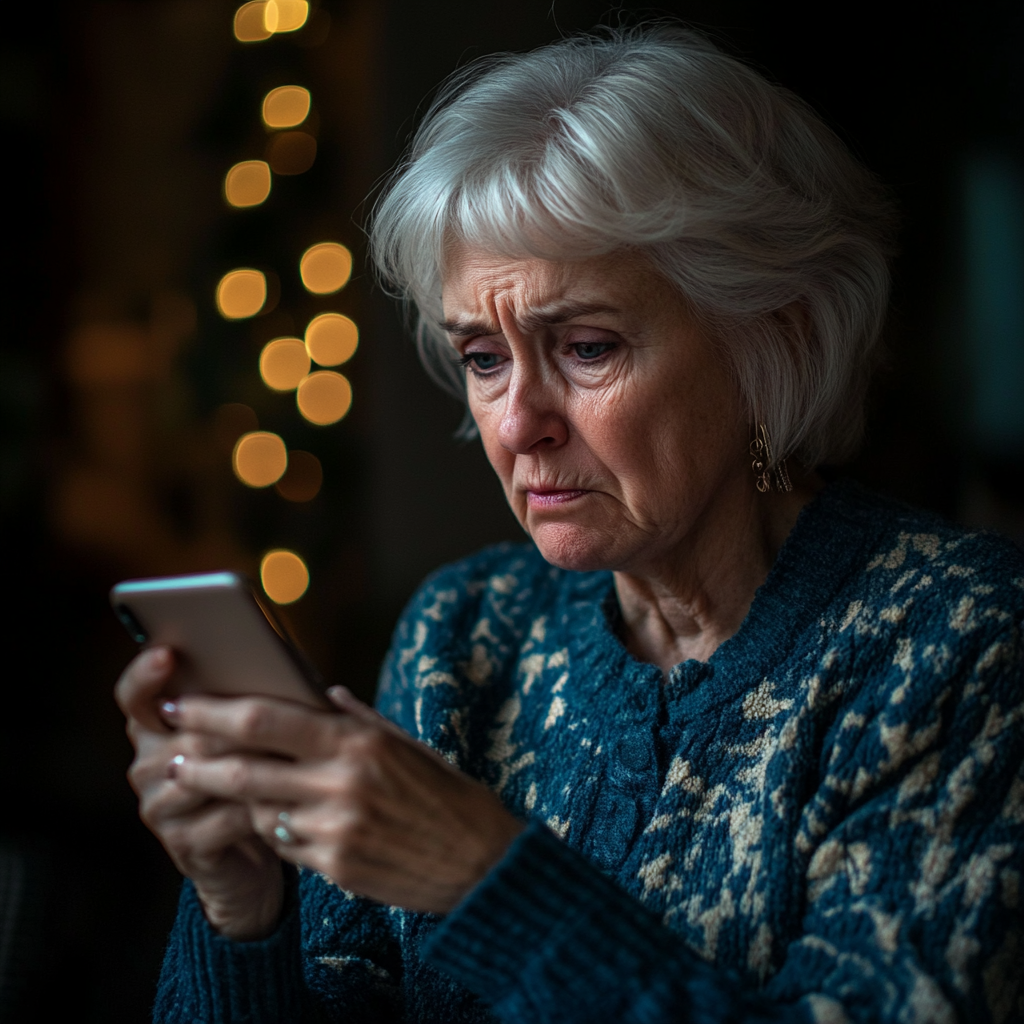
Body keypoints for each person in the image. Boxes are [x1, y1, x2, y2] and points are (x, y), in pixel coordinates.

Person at [117, 25, 1024, 1024]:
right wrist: (243, 909)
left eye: (586, 347)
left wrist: (483, 875)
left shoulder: (960, 641)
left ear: (776, 337)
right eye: (482, 356)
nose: (514, 423)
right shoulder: (466, 631)